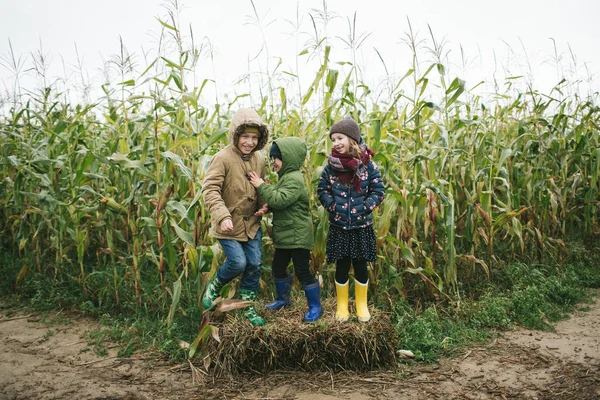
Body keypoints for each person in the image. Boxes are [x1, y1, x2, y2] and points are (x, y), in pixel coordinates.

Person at [200, 108, 270, 326]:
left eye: (254, 138)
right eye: (245, 136)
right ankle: (214, 286)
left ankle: (247, 308)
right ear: (236, 135)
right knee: (238, 263)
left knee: (255, 264)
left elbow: (261, 186)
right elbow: (210, 189)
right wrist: (222, 216)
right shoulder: (222, 158)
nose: (249, 142)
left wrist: (263, 206)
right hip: (228, 224)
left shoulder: (259, 158)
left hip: (252, 225)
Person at [317, 117, 385, 322]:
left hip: (361, 226)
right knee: (342, 265)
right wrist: (333, 206)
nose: (336, 143)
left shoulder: (368, 166)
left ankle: (362, 305)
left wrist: (365, 208)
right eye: (333, 139)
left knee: (361, 264)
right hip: (339, 225)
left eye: (340, 138)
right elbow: (322, 190)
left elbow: (378, 191)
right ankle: (342, 306)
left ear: (352, 140)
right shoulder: (331, 167)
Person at [248, 137, 322, 323]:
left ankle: (315, 306)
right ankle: (283, 300)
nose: (273, 162)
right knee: (278, 267)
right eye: (271, 158)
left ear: (289, 158)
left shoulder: (294, 179)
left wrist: (261, 185)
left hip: (297, 236)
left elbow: (280, 199)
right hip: (286, 235)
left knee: (302, 270)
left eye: (276, 158)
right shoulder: (285, 179)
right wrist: (268, 207)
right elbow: (284, 203)